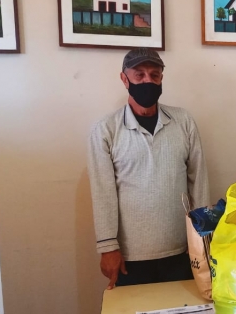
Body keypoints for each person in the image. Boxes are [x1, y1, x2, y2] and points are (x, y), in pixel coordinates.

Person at [87, 48, 210, 289]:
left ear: (162, 78)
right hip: (130, 256)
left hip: (182, 251)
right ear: (124, 79)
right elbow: (103, 193)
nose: (148, 81)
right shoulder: (106, 130)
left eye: (154, 75)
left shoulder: (183, 121)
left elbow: (199, 180)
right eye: (139, 74)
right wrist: (108, 247)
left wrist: (202, 237)